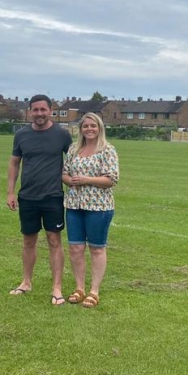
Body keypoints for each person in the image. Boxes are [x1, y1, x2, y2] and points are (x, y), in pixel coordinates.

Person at [7, 95, 72, 305]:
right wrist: (10, 192)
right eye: (35, 110)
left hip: (52, 196)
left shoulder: (62, 135)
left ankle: (57, 287)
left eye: (43, 109)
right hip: (27, 196)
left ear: (51, 110)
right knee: (28, 241)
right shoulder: (22, 135)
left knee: (54, 241)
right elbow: (15, 163)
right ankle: (26, 282)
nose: (39, 114)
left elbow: (73, 162)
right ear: (30, 112)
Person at [62, 112, 119, 308]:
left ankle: (94, 291)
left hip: (99, 207)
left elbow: (111, 179)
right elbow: (65, 173)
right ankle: (79, 288)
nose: (89, 129)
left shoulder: (107, 150)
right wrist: (70, 181)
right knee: (76, 248)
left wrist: (86, 180)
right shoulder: (74, 149)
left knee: (96, 248)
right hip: (74, 206)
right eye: (85, 126)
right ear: (81, 129)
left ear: (100, 127)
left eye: (93, 126)